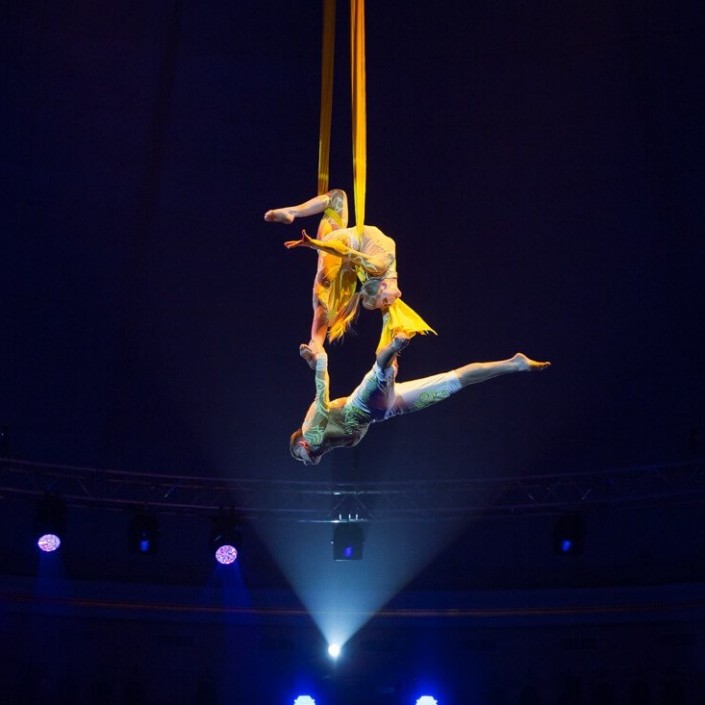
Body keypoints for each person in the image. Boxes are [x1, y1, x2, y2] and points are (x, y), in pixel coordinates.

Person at [289, 337, 551, 465]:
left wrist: (319, 362)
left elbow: (321, 394)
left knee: (381, 369)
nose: (305, 461)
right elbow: (317, 456)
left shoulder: (312, 434)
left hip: (365, 404)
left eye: (299, 457)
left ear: (301, 443)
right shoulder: (327, 444)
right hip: (388, 410)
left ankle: (395, 345)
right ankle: (514, 364)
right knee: (453, 382)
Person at [264, 189, 435, 360]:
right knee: (338, 196)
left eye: (384, 302)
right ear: (382, 285)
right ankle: (292, 212)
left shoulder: (380, 273)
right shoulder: (381, 268)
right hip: (338, 240)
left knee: (323, 290)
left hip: (337, 243)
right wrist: (314, 244)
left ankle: (315, 343)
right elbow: (346, 253)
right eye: (385, 302)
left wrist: (314, 244)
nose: (389, 303)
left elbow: (345, 252)